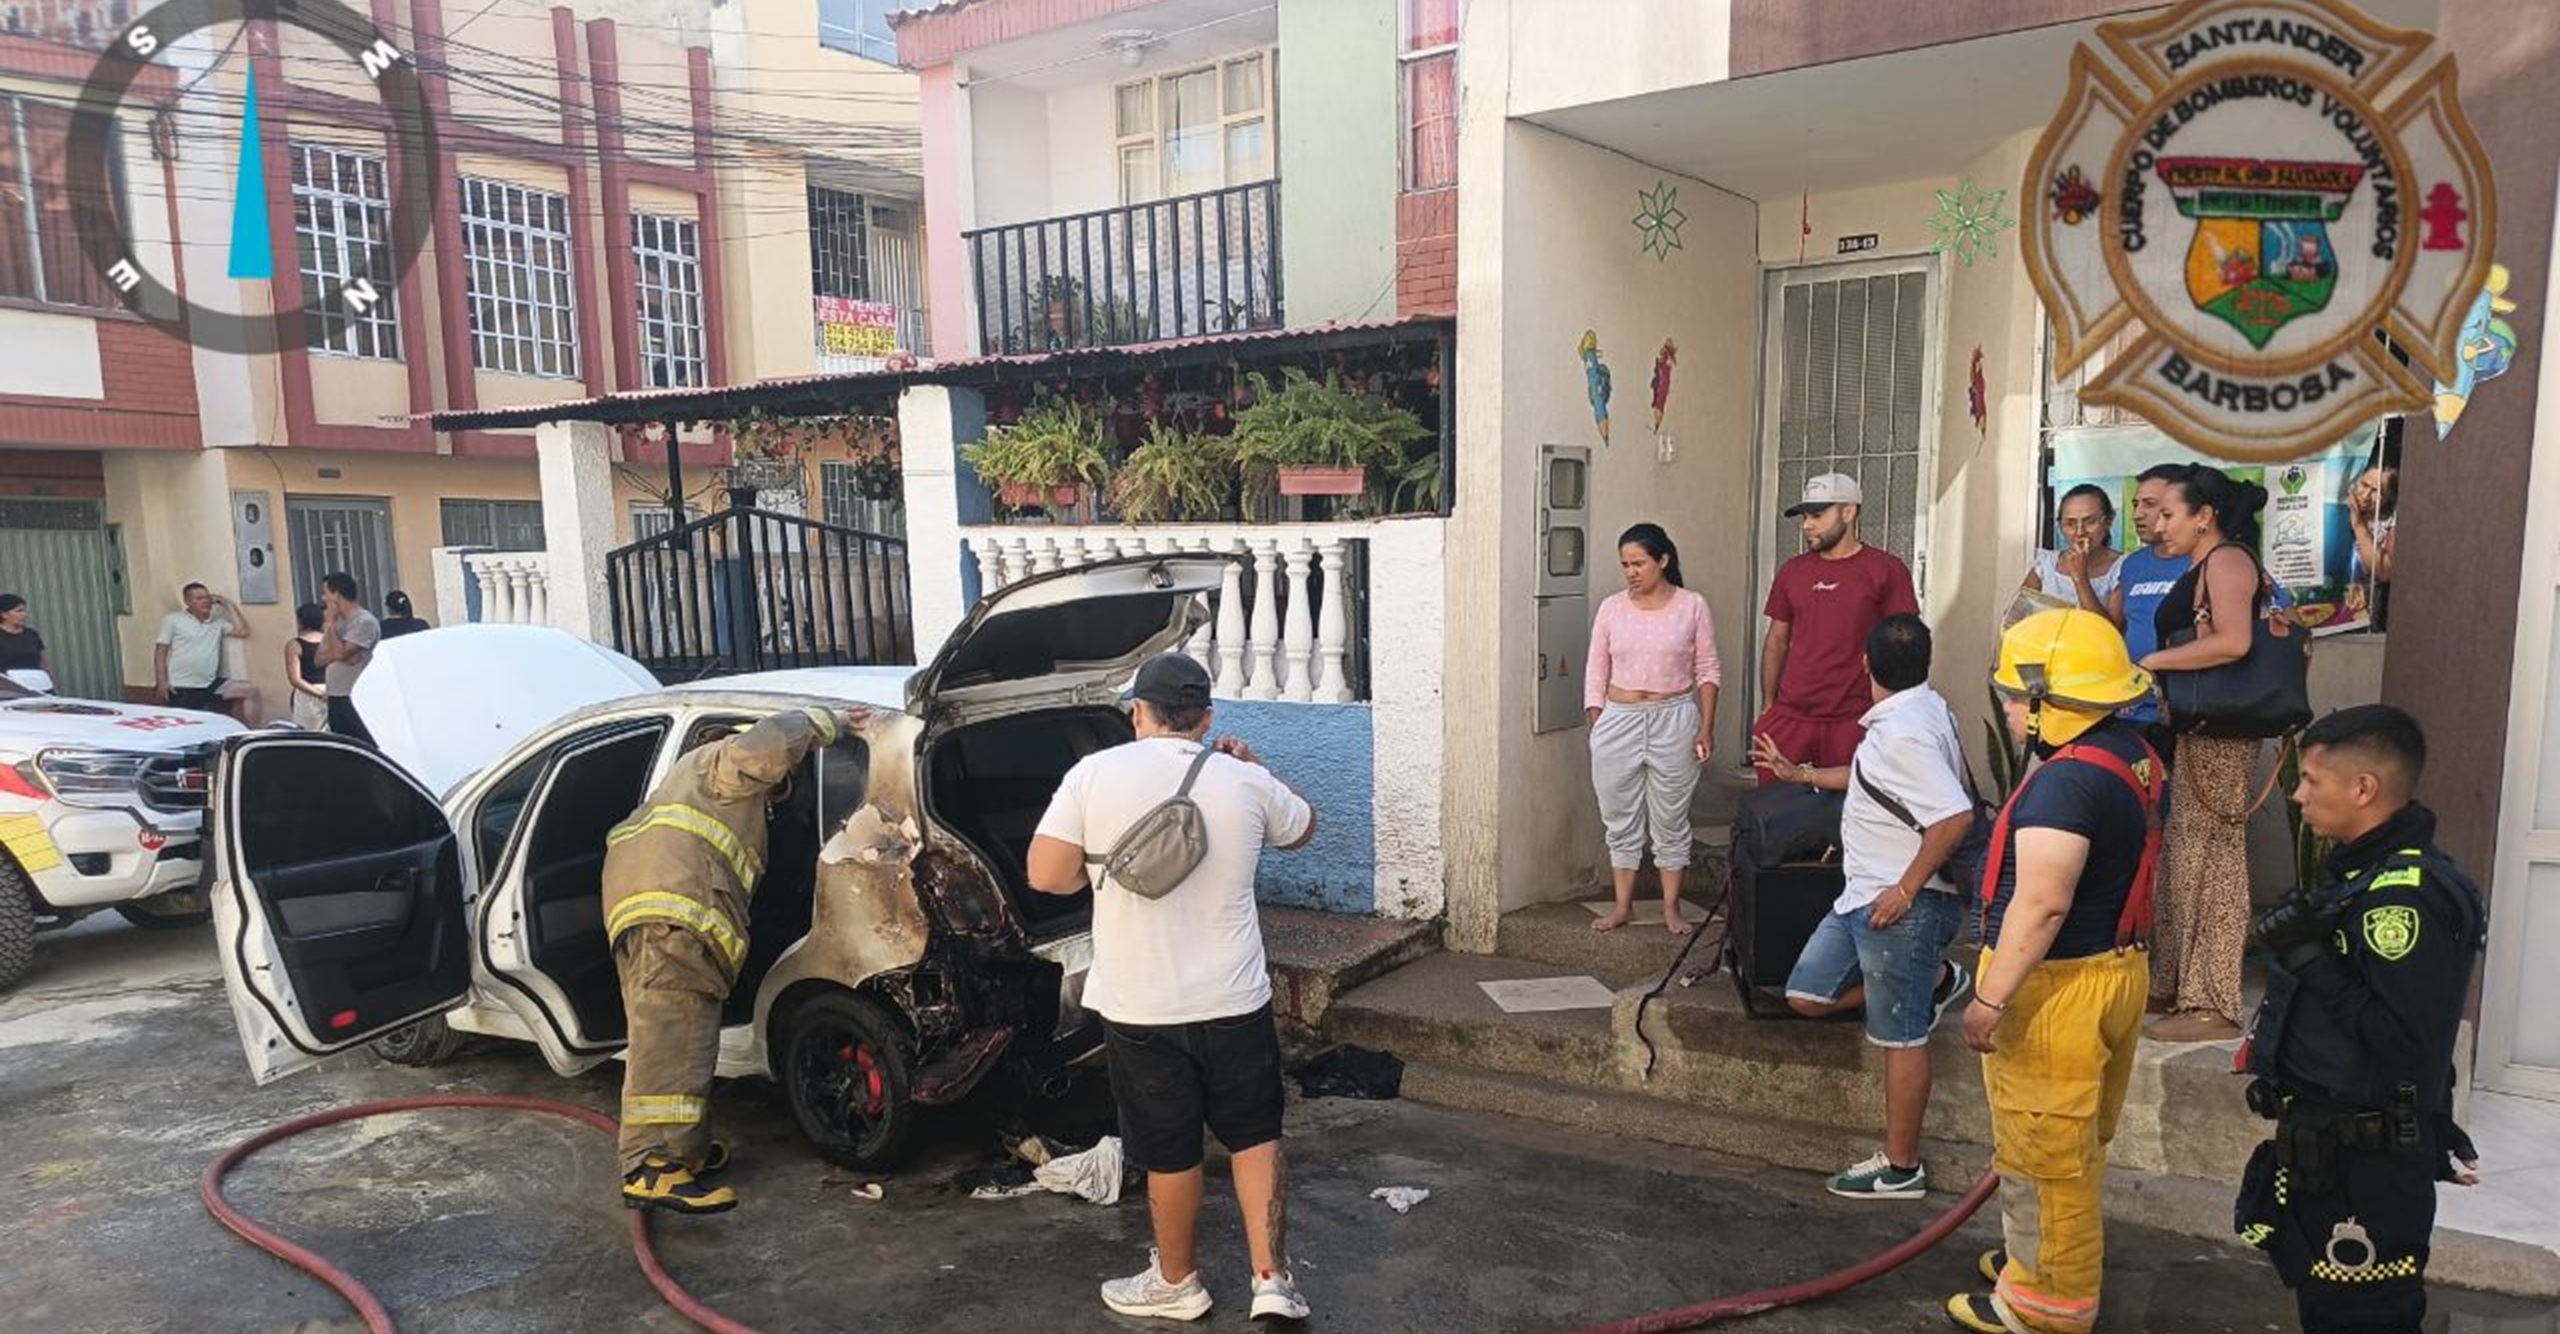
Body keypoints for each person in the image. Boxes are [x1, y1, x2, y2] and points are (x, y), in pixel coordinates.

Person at [1027, 653, 1317, 1324]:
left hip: (1140, 1005)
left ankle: (1178, 1281)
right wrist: (1257, 770)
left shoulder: (1093, 774)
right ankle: (1271, 1279)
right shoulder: (1241, 778)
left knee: (1169, 1147)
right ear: (1207, 718)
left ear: (1138, 714)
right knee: (1256, 1137)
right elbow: (1302, 829)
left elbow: (1045, 874)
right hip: (1236, 999)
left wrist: (1093, 877)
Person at [2234, 704, 2486, 1334]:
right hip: (2329, 1153)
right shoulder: (2359, 875)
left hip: (2366, 1171)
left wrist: (2309, 957)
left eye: (2313, 780)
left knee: (2364, 1318)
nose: (2297, 794)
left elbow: (2405, 1039)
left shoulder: (2405, 898)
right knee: (2328, 1311)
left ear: (2363, 789)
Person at [1949, 609, 2164, 1334]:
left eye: (2016, 695)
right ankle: (2039, 1257)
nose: (2007, 707)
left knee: (2044, 1155)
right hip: (2112, 971)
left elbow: (2041, 906)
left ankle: (2045, 1304)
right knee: (2073, 1148)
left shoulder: (2063, 788)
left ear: (2050, 700)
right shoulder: (2130, 752)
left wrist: (1988, 997)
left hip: (2056, 992)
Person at [1752, 614, 1974, 1201]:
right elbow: (1871, 776)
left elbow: (1953, 815)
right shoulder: (1919, 714)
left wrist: (1905, 888)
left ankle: (1902, 1169)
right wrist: (1798, 773)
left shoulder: (1905, 732)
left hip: (1900, 906)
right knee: (1806, 995)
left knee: (1900, 1038)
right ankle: (1937, 980)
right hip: (1858, 895)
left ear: (1866, 666)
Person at [606, 705, 854, 1215]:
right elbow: (763, 746)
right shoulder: (717, 762)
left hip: (654, 914)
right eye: (778, 784)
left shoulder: (682, 787)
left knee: (681, 1038)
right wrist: (824, 721)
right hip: (672, 918)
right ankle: (650, 1166)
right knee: (670, 1041)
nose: (777, 793)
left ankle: (683, 1152)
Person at [2136, 465, 2272, 1043]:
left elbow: (2235, 641)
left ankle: (2214, 1001)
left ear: (2204, 517)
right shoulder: (2201, 565)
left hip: (2224, 733)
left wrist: (2151, 664)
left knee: (2214, 860)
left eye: (2169, 513)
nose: (2159, 524)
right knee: (2183, 855)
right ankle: (2174, 983)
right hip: (2195, 729)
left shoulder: (2228, 560)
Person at [1584, 523, 1723, 936]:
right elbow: (1596, 667)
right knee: (1618, 817)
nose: (1631, 571)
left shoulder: (1692, 605)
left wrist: (1706, 726)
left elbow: (1708, 669)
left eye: (1639, 563)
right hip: (1619, 718)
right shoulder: (1611, 608)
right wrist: (1598, 718)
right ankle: (1622, 906)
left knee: (1671, 818)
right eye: (1625, 564)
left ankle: (1671, 908)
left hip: (1675, 716)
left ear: (1664, 560)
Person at [1754, 473, 1921, 786]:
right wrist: (1768, 705)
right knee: (1773, 815)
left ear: (1848, 512)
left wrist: (1893, 713)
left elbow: (1903, 645)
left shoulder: (1886, 569)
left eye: (1817, 516)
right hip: (1791, 716)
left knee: (1848, 814)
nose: (1807, 525)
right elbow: (1777, 641)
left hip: (1854, 716)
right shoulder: (1793, 571)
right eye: (1804, 517)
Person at [2109, 465, 2193, 757]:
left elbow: (2285, 625)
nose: (2137, 515)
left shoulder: (2213, 561)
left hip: (2189, 716)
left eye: (2150, 505)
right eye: (2135, 504)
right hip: (2129, 716)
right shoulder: (2132, 565)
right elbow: (2109, 629)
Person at [2020, 484, 2125, 622]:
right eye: (2070, 524)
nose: (2080, 532)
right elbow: (2016, 617)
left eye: (2090, 522)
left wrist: (2080, 577)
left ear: (2109, 521)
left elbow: (2110, 630)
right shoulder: (2046, 565)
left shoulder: (2123, 568)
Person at [153, 583, 255, 720]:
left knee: (247, 689)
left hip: (209, 683)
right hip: (181, 685)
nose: (205, 601)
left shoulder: (217, 623)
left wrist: (228, 604)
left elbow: (243, 631)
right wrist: (161, 682)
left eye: (207, 597)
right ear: (188, 602)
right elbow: (161, 651)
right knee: (186, 722)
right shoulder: (173, 620)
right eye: (199, 598)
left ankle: (241, 734)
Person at [314, 573, 382, 745]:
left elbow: (341, 654)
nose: (323, 598)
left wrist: (330, 626)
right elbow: (319, 659)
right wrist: (338, 652)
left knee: (361, 744)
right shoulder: (337, 623)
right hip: (335, 696)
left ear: (337, 594)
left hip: (353, 696)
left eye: (326, 593)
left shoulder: (363, 622)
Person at [2347, 464, 2396, 625]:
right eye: (2364, 485)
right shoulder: (2336, 511)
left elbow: (2383, 572)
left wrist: (2358, 525)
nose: (2366, 495)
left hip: (2364, 618)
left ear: (2389, 498)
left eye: (2377, 491)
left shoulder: (2389, 525)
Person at [284, 603, 331, 731]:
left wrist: (319, 694)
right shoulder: (332, 642)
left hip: (308, 693)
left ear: (300, 621)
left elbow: (295, 679)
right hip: (333, 691)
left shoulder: (295, 645)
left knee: (308, 736)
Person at [0, 594, 51, 681]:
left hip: (37, 686)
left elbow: (43, 664)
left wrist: (53, 687)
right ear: (4, 614)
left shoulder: (31, 634)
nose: (24, 614)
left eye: (24, 611)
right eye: (19, 611)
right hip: (8, 690)